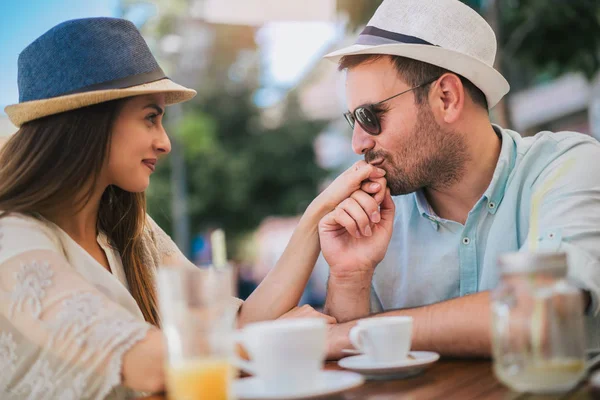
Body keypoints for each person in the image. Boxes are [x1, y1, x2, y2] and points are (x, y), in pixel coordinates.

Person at [0, 18, 386, 399]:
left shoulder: (131, 230)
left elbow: (231, 324)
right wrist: (285, 342)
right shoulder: (12, 239)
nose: (165, 142)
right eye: (150, 117)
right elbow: (151, 364)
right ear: (89, 122)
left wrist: (318, 216)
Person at [318, 0, 600, 359]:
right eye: (352, 120)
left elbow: (536, 313)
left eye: (370, 116)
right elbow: (349, 367)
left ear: (447, 98)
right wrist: (350, 276)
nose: (358, 143)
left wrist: (355, 333)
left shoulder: (568, 166)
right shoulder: (374, 220)